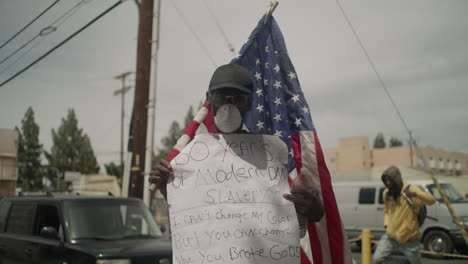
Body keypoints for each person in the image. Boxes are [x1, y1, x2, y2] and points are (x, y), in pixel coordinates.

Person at [149, 63, 324, 226]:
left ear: (249, 103)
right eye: (220, 98)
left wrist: (310, 211)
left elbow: (288, 225)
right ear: (209, 100)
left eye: (238, 99)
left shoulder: (269, 156)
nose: (228, 106)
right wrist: (167, 188)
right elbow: (187, 218)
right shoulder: (189, 157)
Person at [373, 166, 435, 264]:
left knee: (416, 262)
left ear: (397, 179)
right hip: (391, 236)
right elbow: (387, 211)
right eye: (386, 181)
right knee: (377, 259)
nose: (388, 183)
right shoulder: (386, 193)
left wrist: (414, 193)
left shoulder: (411, 189)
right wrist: (387, 224)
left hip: (409, 238)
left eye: (390, 180)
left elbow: (431, 200)